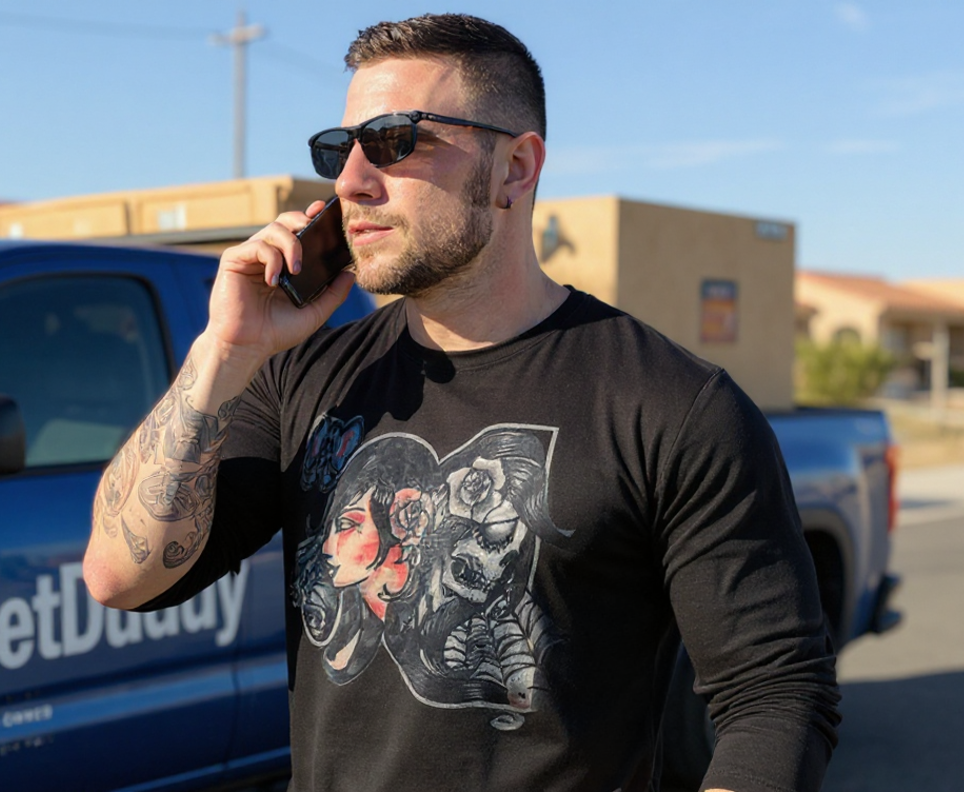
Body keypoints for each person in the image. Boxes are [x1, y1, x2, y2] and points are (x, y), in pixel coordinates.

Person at [83, 13, 839, 792]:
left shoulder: (672, 406)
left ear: (515, 168)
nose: (350, 183)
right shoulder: (299, 378)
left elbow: (776, 696)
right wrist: (223, 354)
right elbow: (120, 578)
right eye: (340, 150)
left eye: (397, 141)